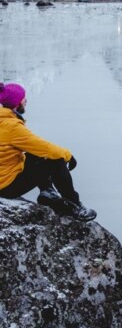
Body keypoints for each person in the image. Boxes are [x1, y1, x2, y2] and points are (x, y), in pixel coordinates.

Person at [0, 81, 96, 222]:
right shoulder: (12, 127)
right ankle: (75, 206)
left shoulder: (3, 121)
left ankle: (48, 192)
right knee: (55, 160)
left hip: (3, 176)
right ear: (16, 103)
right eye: (23, 98)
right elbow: (43, 147)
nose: (26, 101)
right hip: (5, 187)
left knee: (33, 155)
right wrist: (68, 156)